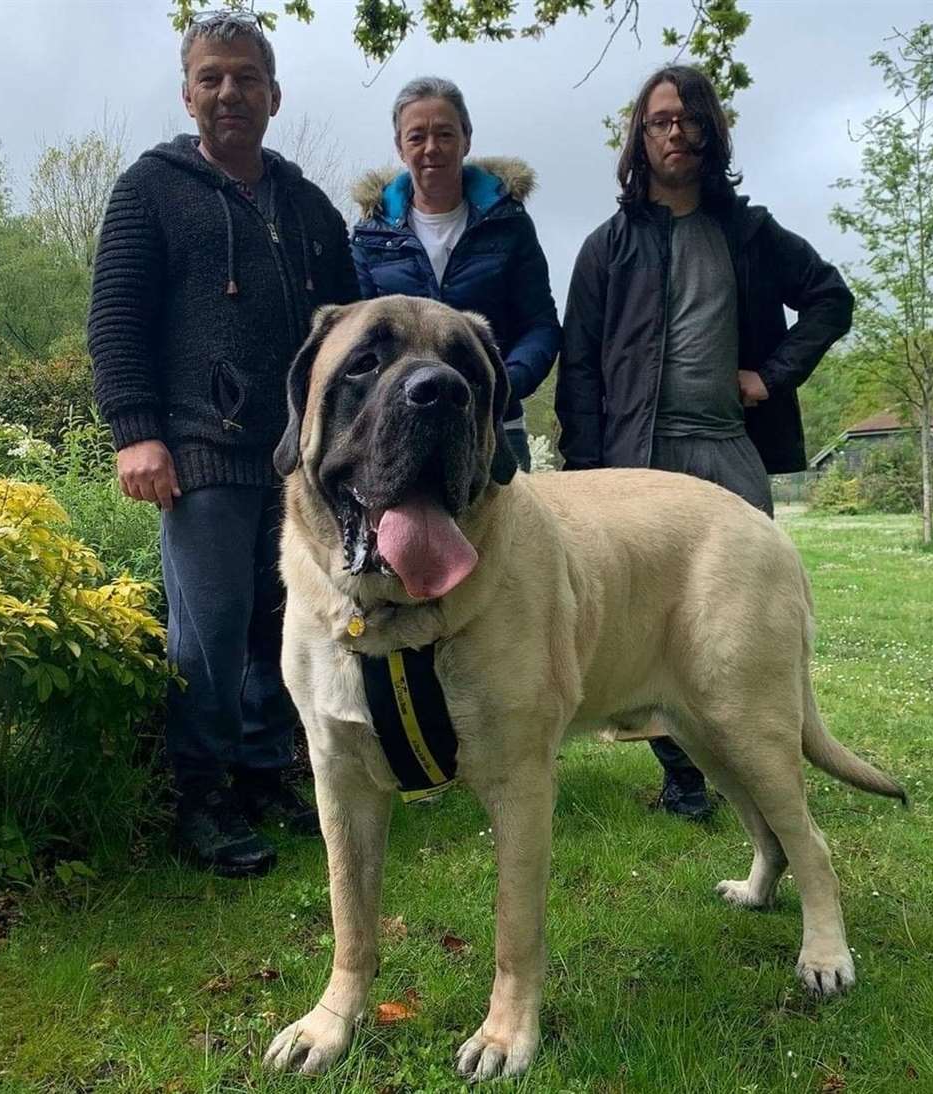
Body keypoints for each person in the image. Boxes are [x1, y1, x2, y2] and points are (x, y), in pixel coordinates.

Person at [88, 11, 359, 875]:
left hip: (301, 467)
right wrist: (138, 433)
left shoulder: (312, 208)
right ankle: (200, 800)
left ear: (274, 95)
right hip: (200, 456)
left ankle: (263, 772)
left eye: (246, 77)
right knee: (207, 633)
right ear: (188, 92)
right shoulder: (150, 190)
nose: (229, 92)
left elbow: (352, 340)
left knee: (288, 623)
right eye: (212, 77)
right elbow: (116, 321)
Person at [557, 65, 853, 820]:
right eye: (659, 121)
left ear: (711, 134)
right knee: (643, 629)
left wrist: (772, 375)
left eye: (689, 120)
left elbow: (830, 298)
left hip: (726, 448)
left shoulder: (750, 234)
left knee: (731, 633)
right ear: (640, 137)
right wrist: (586, 479)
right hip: (635, 460)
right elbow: (580, 368)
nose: (675, 133)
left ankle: (764, 769)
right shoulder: (606, 247)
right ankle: (684, 775)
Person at [350, 76, 560, 470]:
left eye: (445, 134)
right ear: (400, 147)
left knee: (508, 533)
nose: (432, 148)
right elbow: (358, 340)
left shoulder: (509, 224)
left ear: (466, 138)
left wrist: (501, 383)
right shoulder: (369, 234)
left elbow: (541, 326)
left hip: (496, 426)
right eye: (417, 137)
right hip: (398, 423)